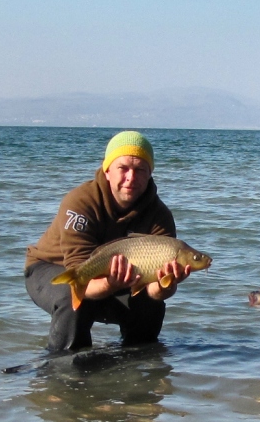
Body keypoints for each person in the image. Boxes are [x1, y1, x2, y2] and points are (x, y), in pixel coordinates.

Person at [24, 131, 193, 352]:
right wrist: (109, 284)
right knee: (73, 300)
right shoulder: (81, 202)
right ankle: (63, 368)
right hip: (53, 269)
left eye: (140, 170)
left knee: (151, 306)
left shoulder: (159, 216)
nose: (131, 178)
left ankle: (137, 367)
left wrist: (166, 285)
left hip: (119, 280)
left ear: (150, 173)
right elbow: (79, 275)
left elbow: (153, 291)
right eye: (123, 168)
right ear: (107, 170)